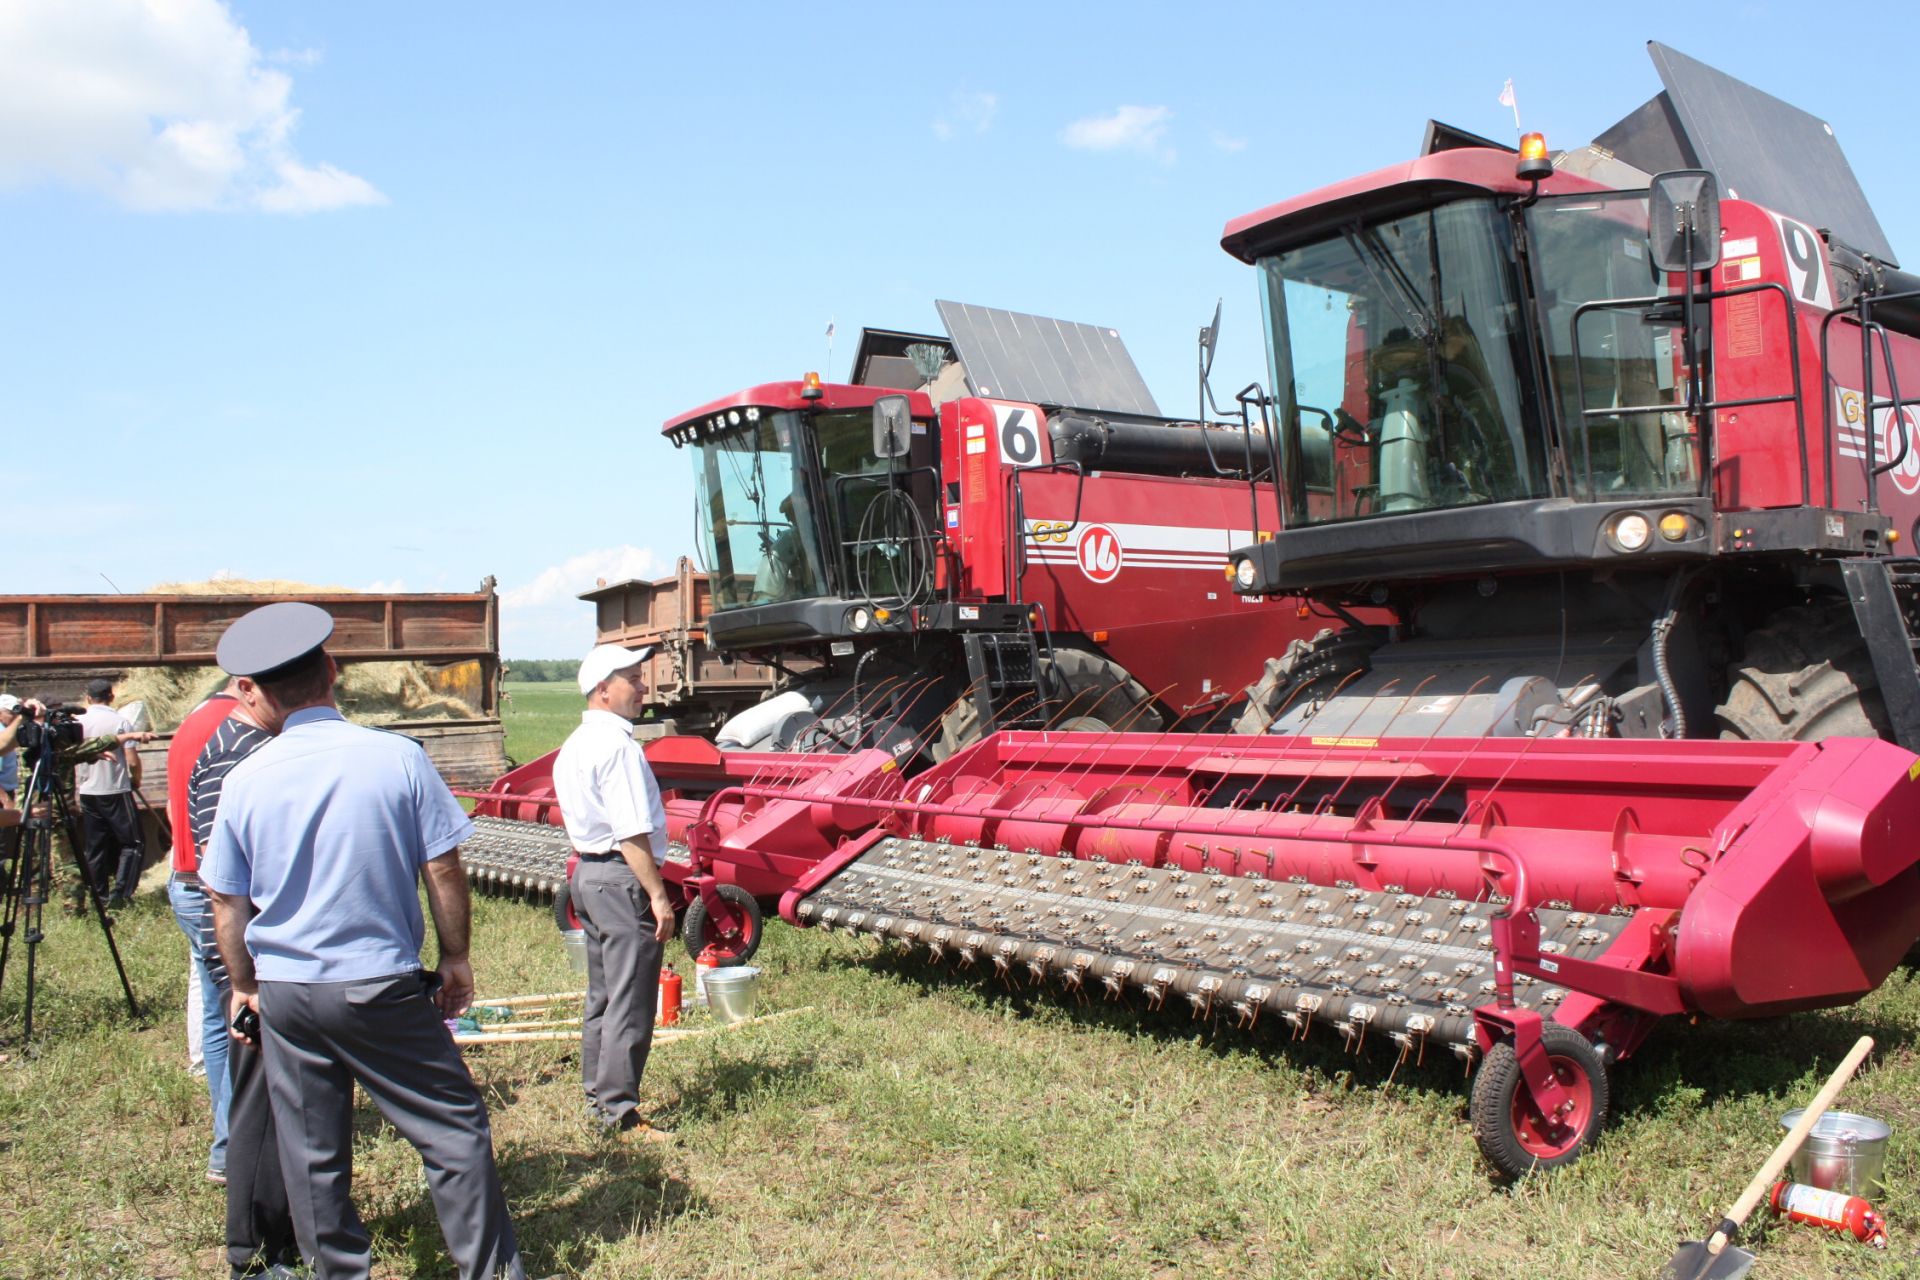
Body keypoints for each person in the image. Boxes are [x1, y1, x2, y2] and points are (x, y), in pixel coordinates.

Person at [201, 602, 526, 1280]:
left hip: (288, 993)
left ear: (253, 690)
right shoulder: (397, 758)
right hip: (377, 984)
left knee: (313, 1153)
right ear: (333, 670)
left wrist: (243, 986)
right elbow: (441, 866)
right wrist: (456, 957)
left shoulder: (243, 780)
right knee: (454, 1132)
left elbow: (226, 902)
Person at [186, 681, 300, 1278]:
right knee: (261, 1105)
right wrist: (245, 979)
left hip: (254, 955)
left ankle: (281, 1231)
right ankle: (255, 1249)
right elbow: (226, 885)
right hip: (255, 959)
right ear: (251, 693)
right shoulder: (243, 755)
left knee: (276, 1100)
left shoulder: (236, 741)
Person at [552, 643, 676, 1142]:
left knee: (602, 995)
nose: (643, 686)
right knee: (631, 1000)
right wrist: (659, 896)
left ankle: (596, 1096)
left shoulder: (574, 745)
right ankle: (619, 1112)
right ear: (604, 690)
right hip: (620, 878)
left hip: (588, 874)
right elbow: (630, 832)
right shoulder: (618, 747)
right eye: (632, 678)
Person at [166, 682, 243, 1184]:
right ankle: (234, 1148)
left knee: (219, 1020)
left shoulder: (192, 722)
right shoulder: (236, 730)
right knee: (244, 1016)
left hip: (185, 880)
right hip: (217, 891)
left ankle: (226, 1141)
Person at [76, 677, 145, 906]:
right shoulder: (121, 722)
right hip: (115, 789)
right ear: (112, 696)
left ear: (88, 698)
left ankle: (99, 897)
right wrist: (135, 780)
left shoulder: (78, 722)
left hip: (87, 791)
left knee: (95, 847)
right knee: (133, 843)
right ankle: (121, 895)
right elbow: (132, 761)